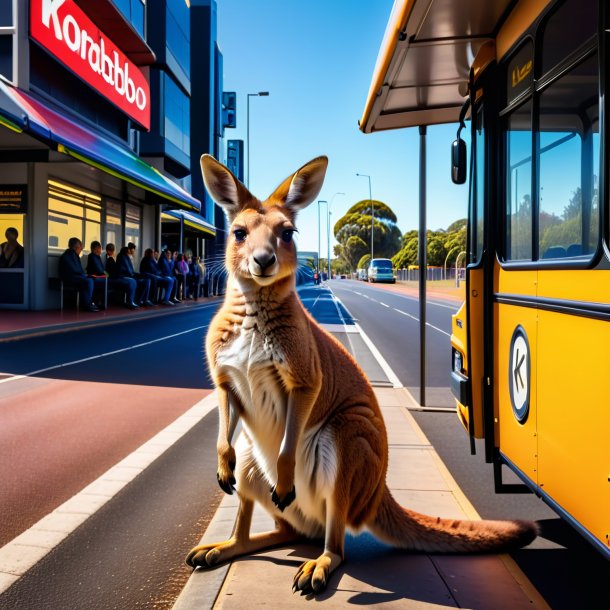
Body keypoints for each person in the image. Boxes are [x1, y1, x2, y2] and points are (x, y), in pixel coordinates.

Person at [58, 237, 99, 312]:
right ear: (77, 247)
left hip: (74, 277)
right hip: (69, 279)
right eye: (81, 248)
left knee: (90, 280)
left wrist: (85, 275)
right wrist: (85, 275)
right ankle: (87, 304)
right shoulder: (67, 256)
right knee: (89, 281)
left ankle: (89, 303)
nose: (80, 251)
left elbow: (78, 270)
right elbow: (74, 270)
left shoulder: (72, 255)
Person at [105, 243, 139, 309]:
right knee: (132, 281)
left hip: (115, 276)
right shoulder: (110, 258)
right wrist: (108, 276)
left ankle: (131, 301)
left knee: (132, 281)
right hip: (113, 278)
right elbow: (106, 271)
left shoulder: (112, 258)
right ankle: (130, 302)